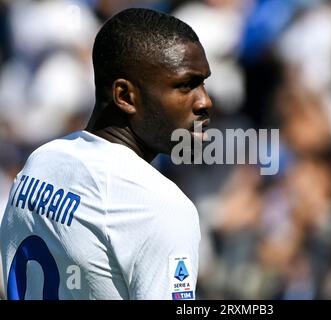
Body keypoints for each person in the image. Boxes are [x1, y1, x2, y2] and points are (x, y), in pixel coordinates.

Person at [0, 8, 212, 300]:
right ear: (125, 96)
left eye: (203, 83)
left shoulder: (40, 162)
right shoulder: (160, 207)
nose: (205, 101)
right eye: (186, 85)